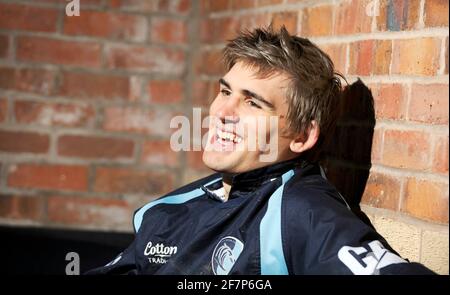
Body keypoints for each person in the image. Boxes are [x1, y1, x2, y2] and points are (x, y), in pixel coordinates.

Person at [86, 26, 435, 275]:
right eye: (225, 93)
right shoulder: (165, 210)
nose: (221, 113)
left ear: (300, 135)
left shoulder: (301, 213)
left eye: (252, 103)